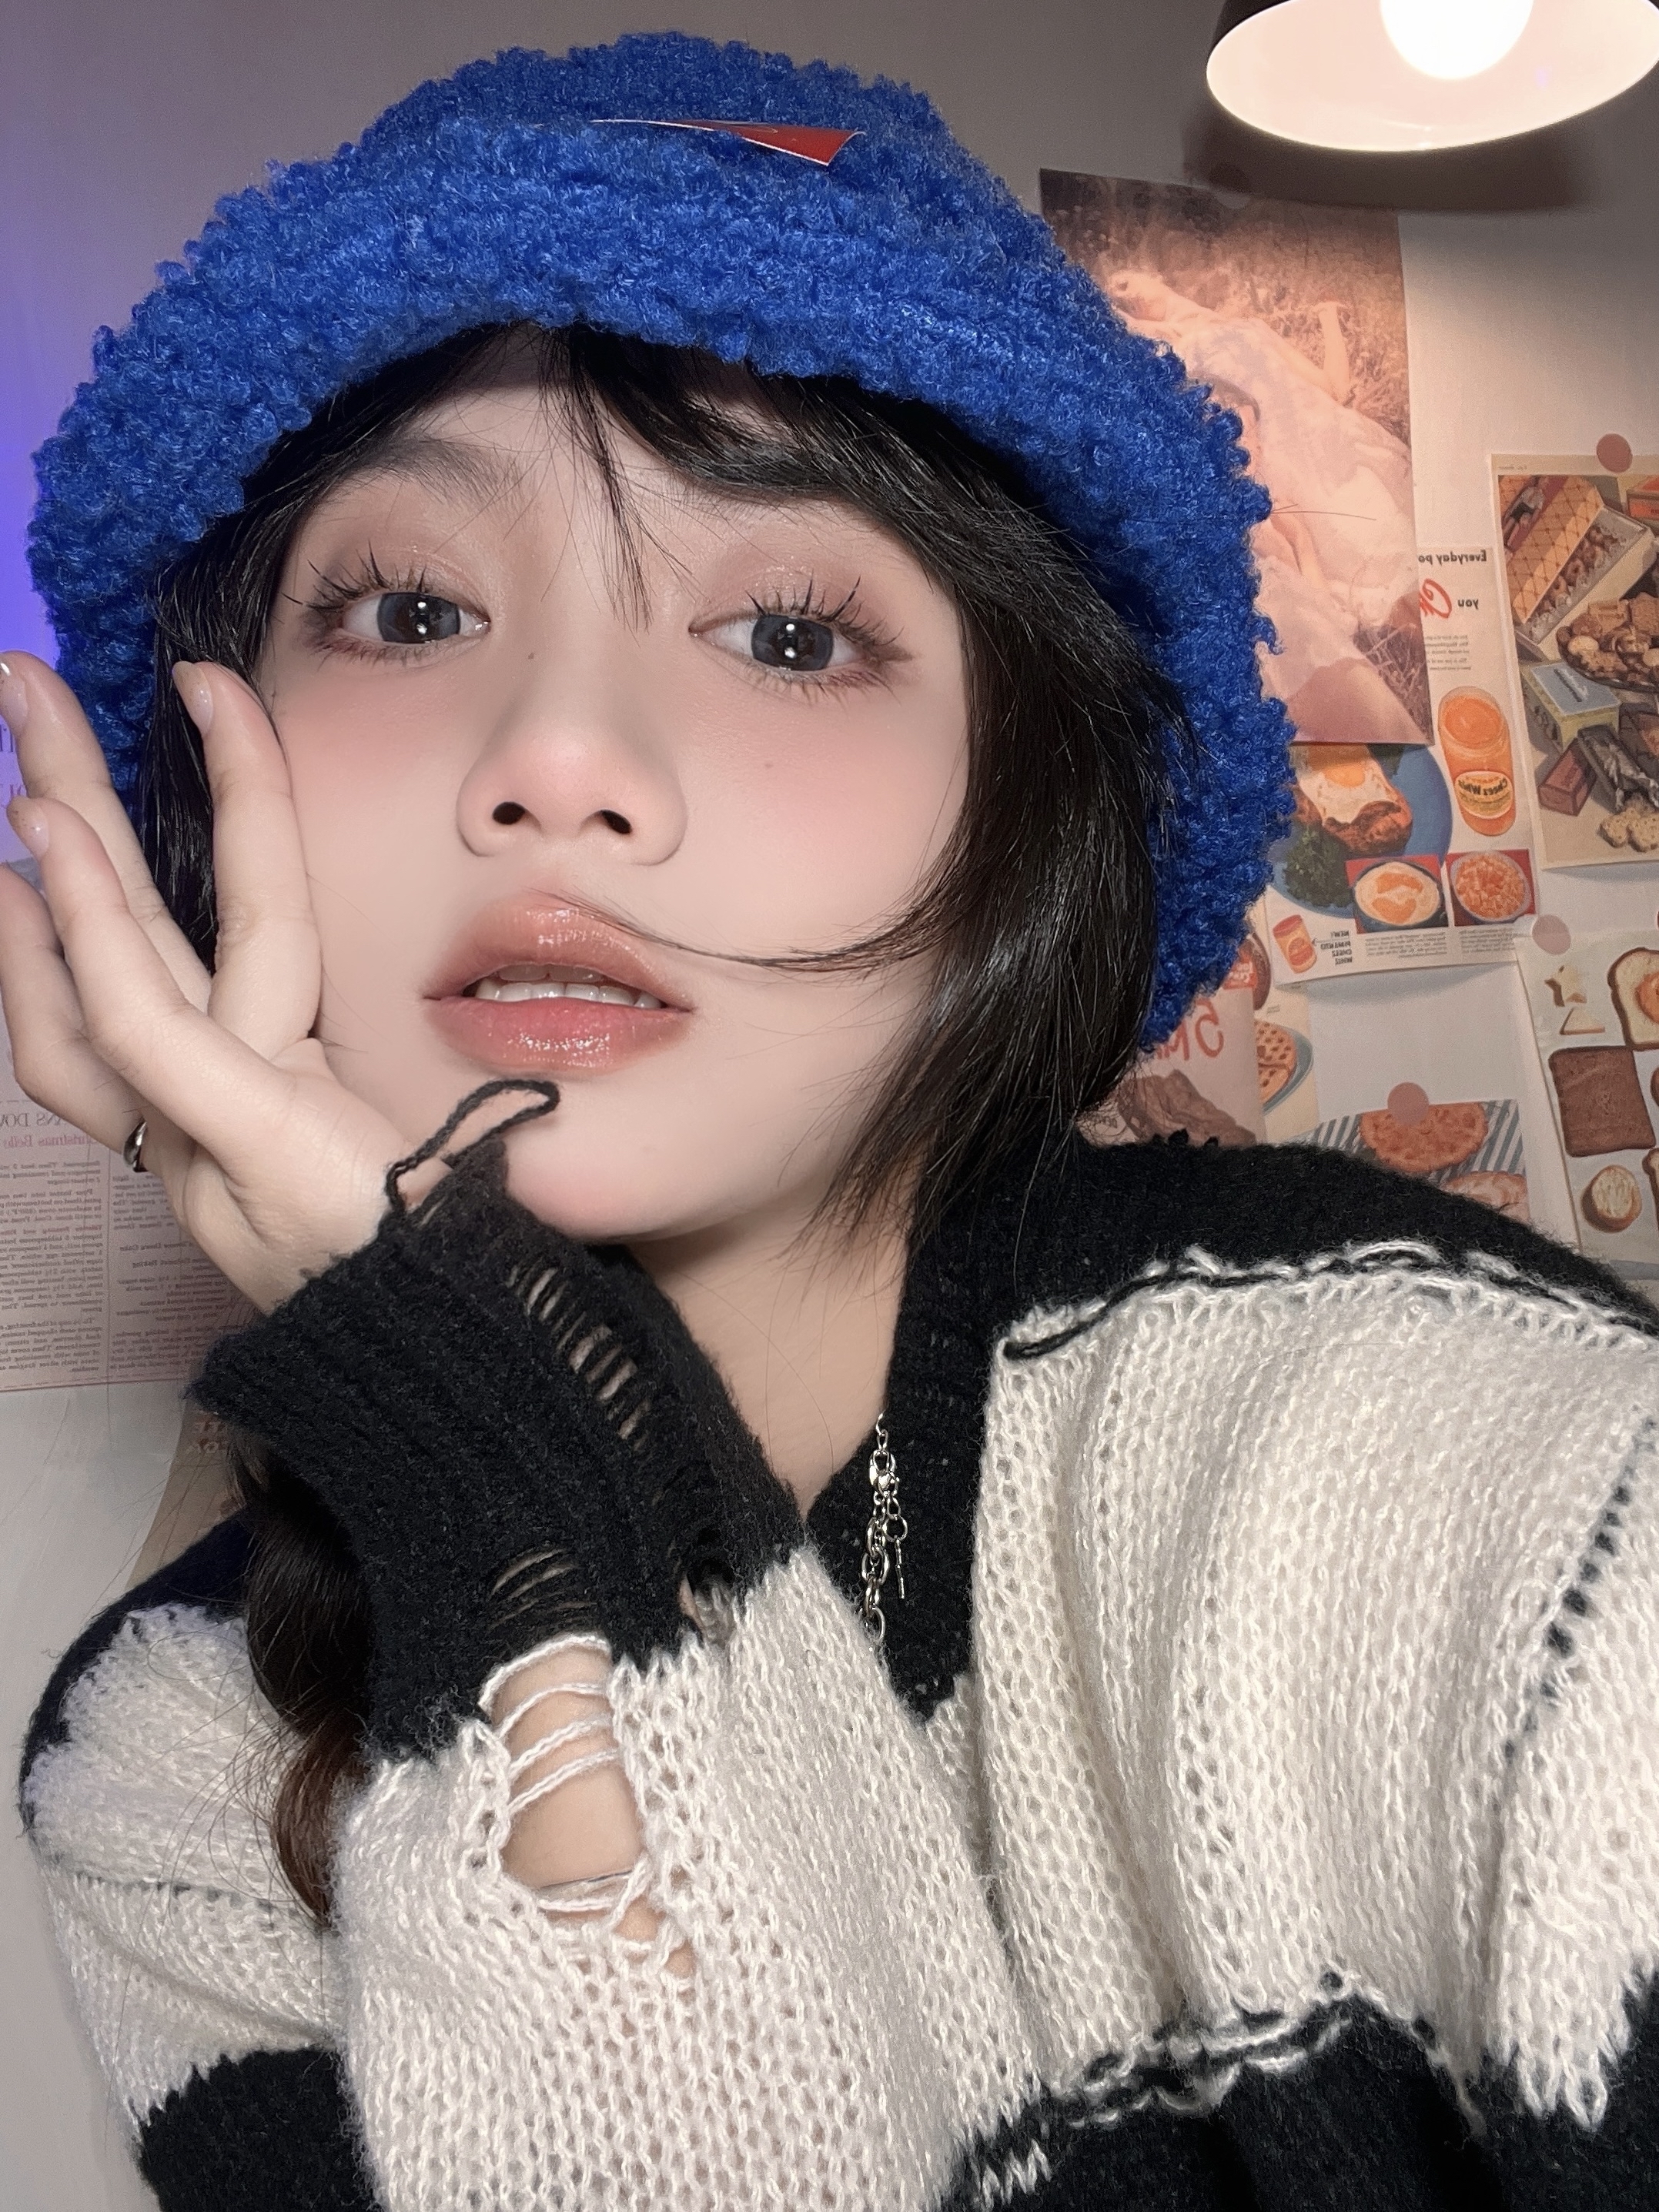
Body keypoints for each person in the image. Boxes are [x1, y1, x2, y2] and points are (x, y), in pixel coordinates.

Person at [3, 35, 1656, 2212]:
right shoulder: (178, 1763)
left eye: (788, 631)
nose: (561, 757)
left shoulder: (1460, 1461)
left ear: (1018, 823)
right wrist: (472, 1435)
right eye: (409, 609)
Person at [1107, 267, 1427, 750]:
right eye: (1115, 294)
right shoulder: (1174, 356)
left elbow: (1333, 387)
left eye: (1125, 280)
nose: (1123, 293)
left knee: (1403, 567)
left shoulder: (1247, 326)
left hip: (1328, 457)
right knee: (1372, 588)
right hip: (1278, 474)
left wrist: (1327, 318)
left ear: (1153, 273)